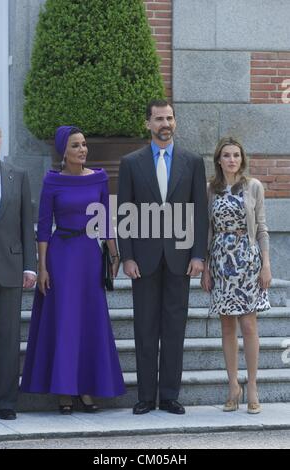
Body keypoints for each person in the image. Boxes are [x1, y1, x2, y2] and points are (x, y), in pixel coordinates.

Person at [21, 126, 125, 413]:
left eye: (84, 145)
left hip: (90, 255)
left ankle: (87, 389)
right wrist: (42, 267)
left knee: (89, 321)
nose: (83, 150)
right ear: (63, 151)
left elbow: (105, 219)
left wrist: (114, 253)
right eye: (76, 145)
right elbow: (43, 228)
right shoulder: (52, 181)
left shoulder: (100, 178)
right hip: (61, 256)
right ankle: (64, 391)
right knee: (65, 321)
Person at [117, 99, 208, 415]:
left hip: (181, 259)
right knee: (144, 328)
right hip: (143, 260)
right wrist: (126, 257)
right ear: (148, 124)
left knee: (174, 328)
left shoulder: (192, 161)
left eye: (169, 118)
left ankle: (169, 395)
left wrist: (199, 255)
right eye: (158, 119)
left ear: (175, 122)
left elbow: (199, 212)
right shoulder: (131, 163)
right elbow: (124, 214)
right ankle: (145, 397)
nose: (164, 124)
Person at [201, 136, 272, 414]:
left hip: (248, 260)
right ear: (219, 160)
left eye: (237, 155)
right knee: (227, 326)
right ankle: (233, 385)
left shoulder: (253, 186)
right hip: (220, 261)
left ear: (242, 159)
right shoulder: (210, 189)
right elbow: (207, 230)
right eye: (227, 155)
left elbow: (263, 228)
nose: (232, 159)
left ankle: (252, 384)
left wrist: (266, 264)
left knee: (249, 325)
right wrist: (205, 267)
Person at [0, 121, 36, 420]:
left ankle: (5, 402)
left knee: (7, 337)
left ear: (1, 140)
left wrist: (30, 266)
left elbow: (25, 225)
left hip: (9, 265)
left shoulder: (17, 176)